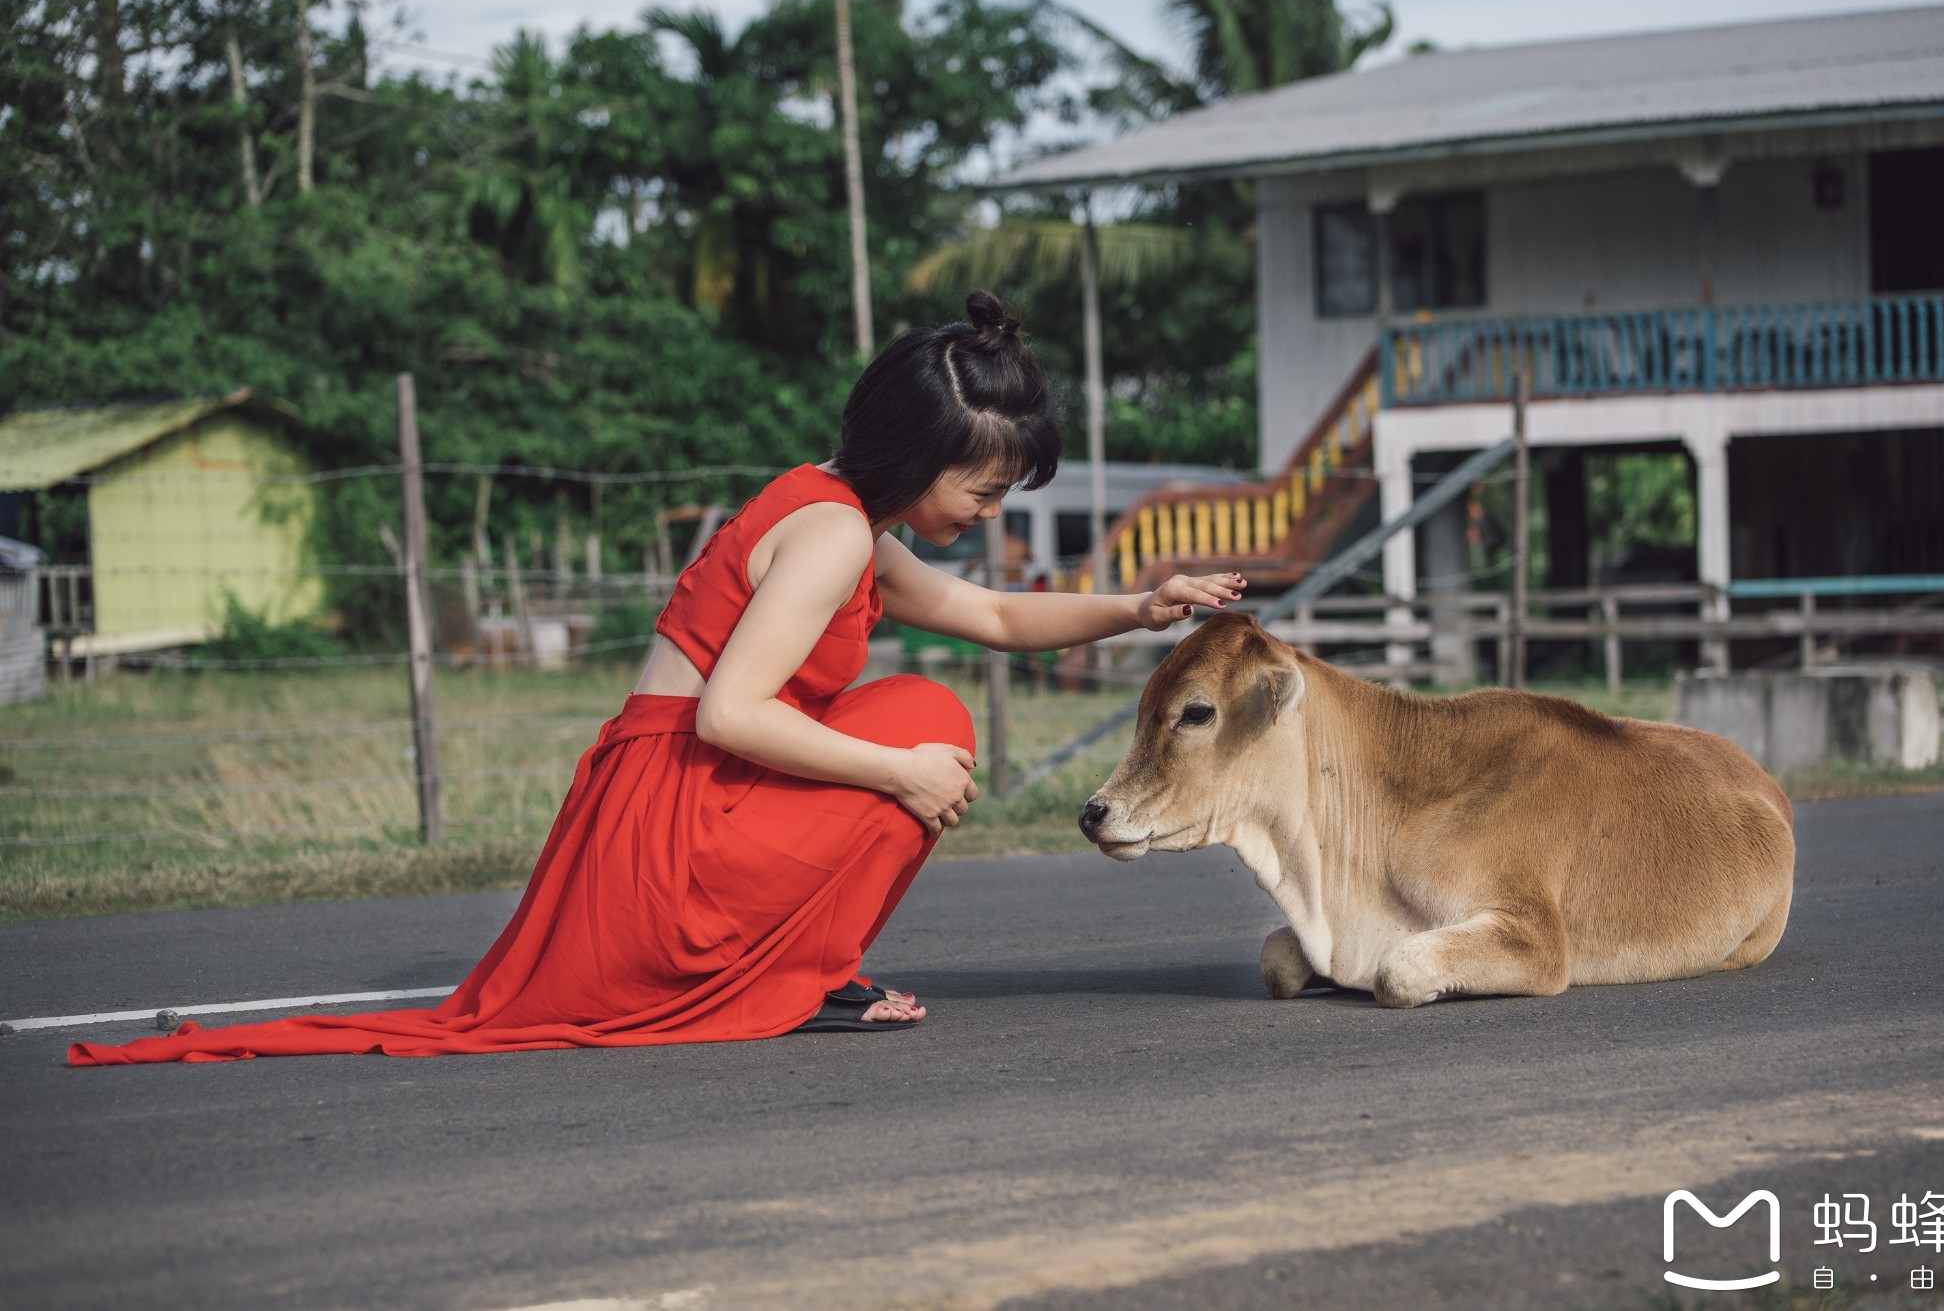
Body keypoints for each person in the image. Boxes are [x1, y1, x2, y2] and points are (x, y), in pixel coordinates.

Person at [68, 291, 1243, 1065]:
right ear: (920, 457)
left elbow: (984, 610)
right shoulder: (833, 534)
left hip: (659, 797)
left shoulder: (836, 506)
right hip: (666, 828)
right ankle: (796, 981)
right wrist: (896, 770)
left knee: (919, 707)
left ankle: (801, 975)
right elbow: (730, 713)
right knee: (920, 725)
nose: (986, 514)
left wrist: (1141, 606)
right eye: (982, 492)